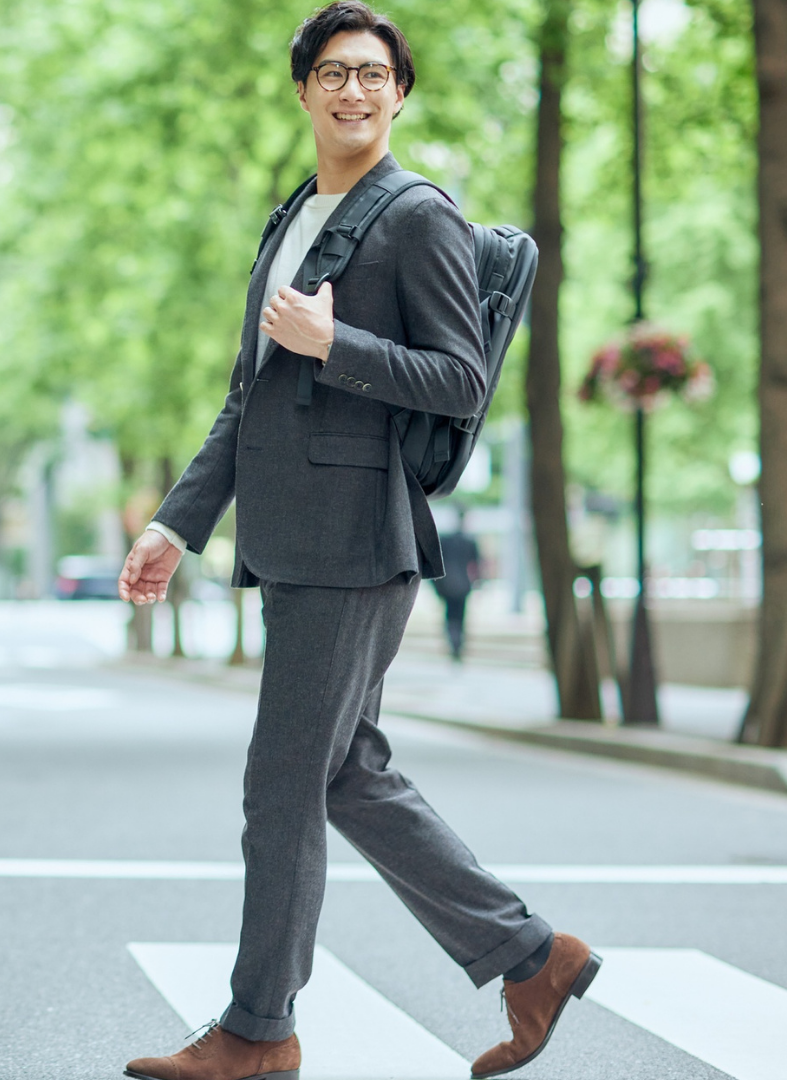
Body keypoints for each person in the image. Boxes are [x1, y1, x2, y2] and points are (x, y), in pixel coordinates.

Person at [116, 5, 598, 1079]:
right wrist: (174, 524)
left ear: (399, 93)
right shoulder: (295, 214)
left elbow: (462, 379)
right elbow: (251, 396)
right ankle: (532, 957)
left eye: (374, 75)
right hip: (293, 538)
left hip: (353, 537)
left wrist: (339, 341)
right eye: (333, 73)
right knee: (344, 774)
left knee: (282, 789)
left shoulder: (417, 215)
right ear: (302, 91)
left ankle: (258, 1030)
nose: (354, 91)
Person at [436, 510, 482, 662]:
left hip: (448, 585)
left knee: (450, 616)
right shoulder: (469, 541)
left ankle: (454, 643)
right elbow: (476, 566)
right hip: (463, 585)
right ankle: (457, 645)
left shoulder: (446, 540)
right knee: (460, 616)